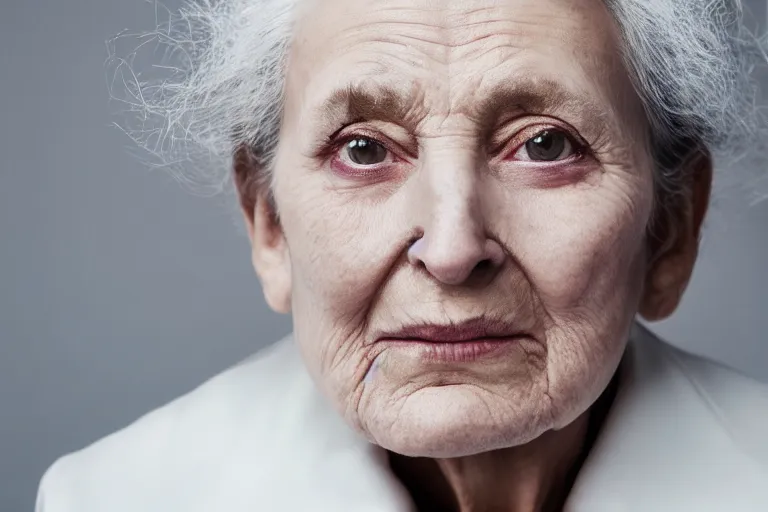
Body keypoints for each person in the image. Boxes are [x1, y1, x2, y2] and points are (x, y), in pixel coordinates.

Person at [36, 0, 768, 510]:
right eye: (363, 150)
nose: (451, 251)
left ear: (671, 226)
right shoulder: (112, 498)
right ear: (269, 224)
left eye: (544, 145)